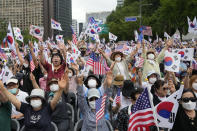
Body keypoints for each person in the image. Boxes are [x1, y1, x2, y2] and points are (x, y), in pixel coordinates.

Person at [0, 73, 68, 131]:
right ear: (30, 100)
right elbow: (14, 100)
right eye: (33, 98)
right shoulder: (27, 108)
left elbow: (54, 100)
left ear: (42, 100)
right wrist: (3, 89)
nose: (35, 99)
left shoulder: (47, 108)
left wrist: (60, 89)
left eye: (37, 98)